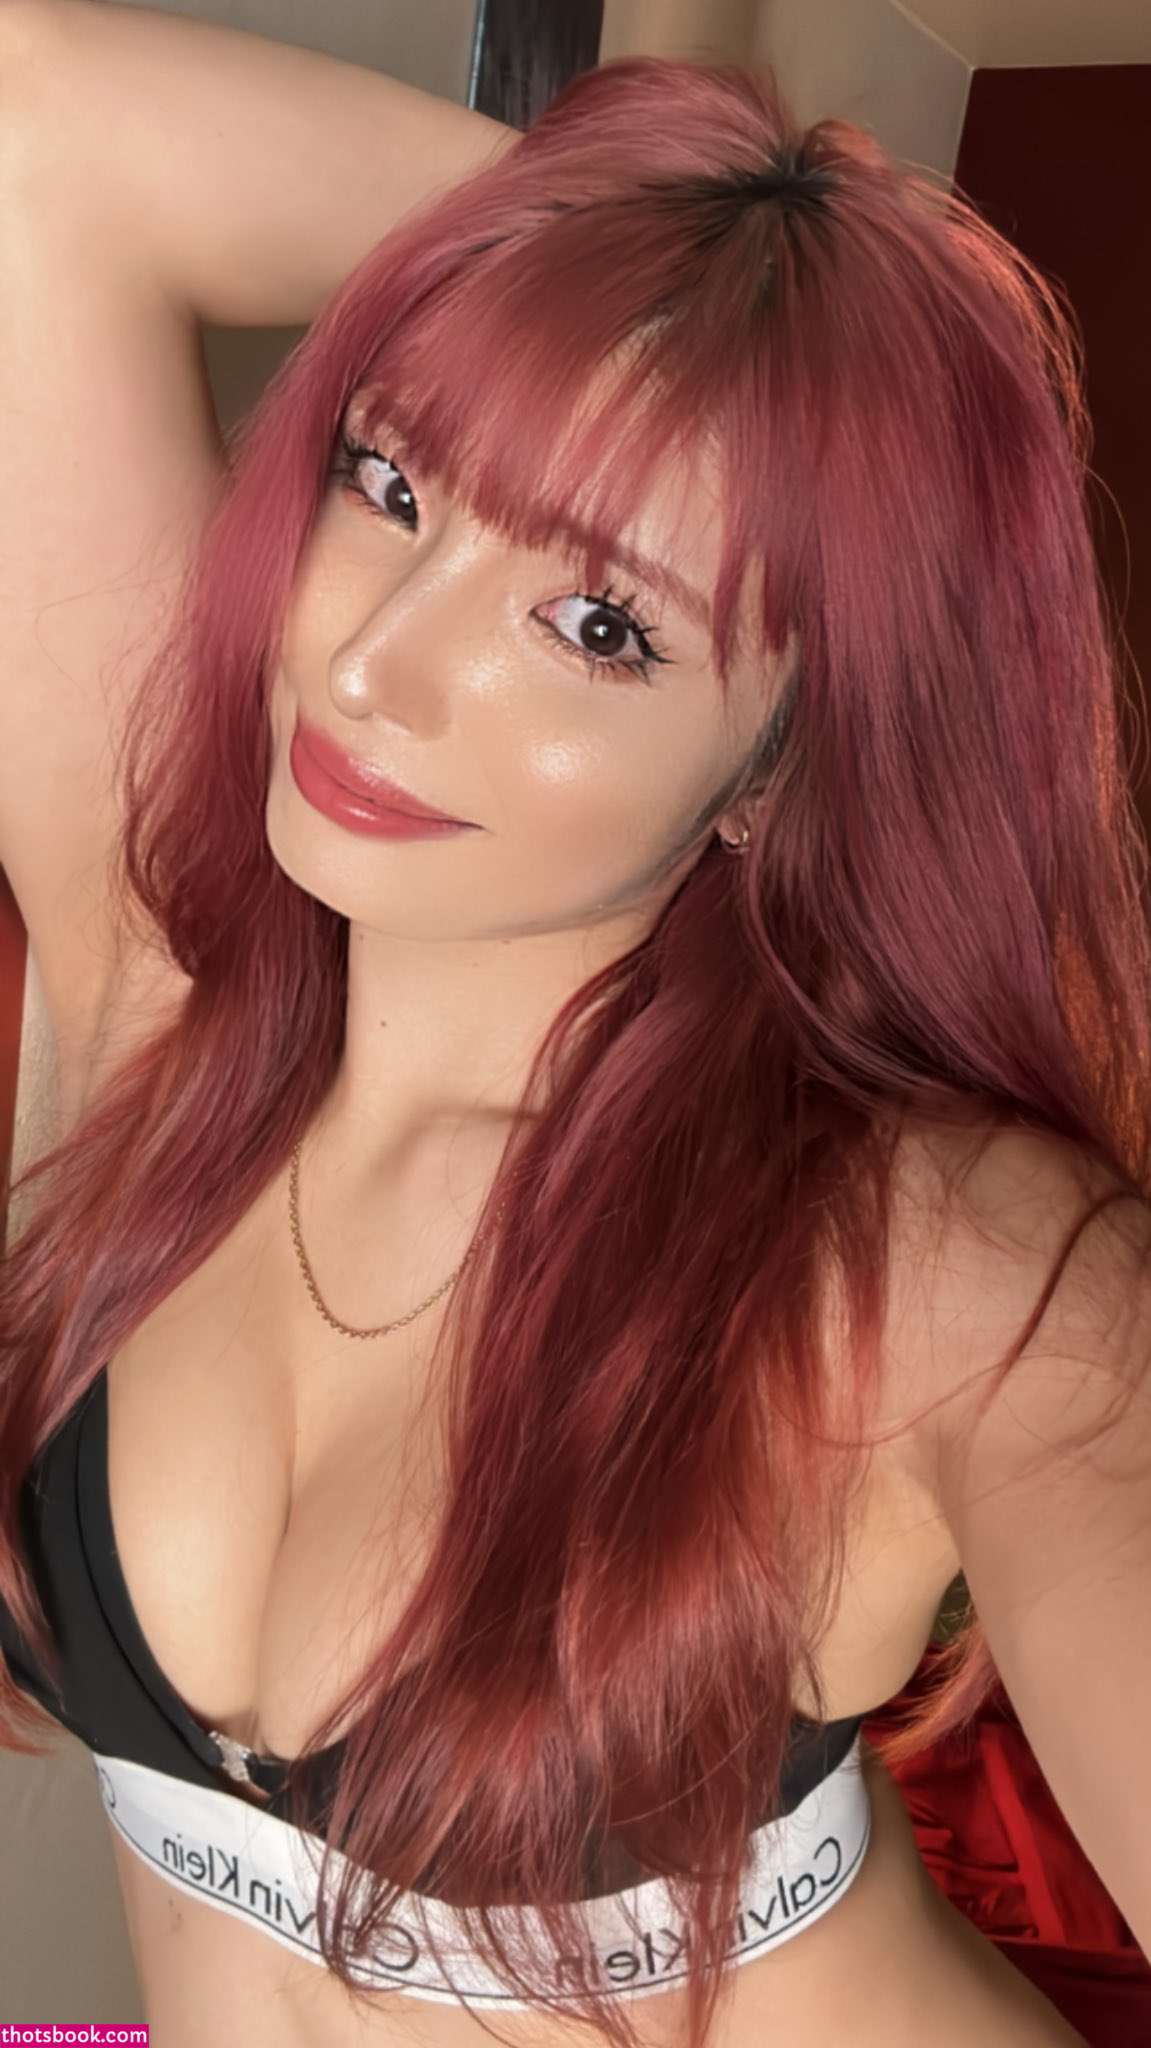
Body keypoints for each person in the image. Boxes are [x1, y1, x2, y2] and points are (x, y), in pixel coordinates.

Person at [0, 5, 1148, 2046]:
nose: (378, 664)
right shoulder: (155, 983)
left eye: (600, 623)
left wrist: (846, 386)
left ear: (784, 767)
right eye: (393, 479)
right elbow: (36, 131)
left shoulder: (943, 1260)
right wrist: (701, 278)